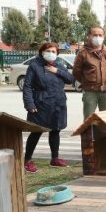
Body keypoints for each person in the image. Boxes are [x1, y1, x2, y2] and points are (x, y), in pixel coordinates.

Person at [22, 42, 75, 173]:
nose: (51, 53)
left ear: (57, 54)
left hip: (58, 102)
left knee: (55, 130)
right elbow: (27, 86)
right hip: (41, 103)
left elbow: (70, 79)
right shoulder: (34, 66)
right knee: (37, 131)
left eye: (54, 51)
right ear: (42, 52)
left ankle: (54, 159)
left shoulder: (59, 65)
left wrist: (57, 71)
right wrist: (29, 104)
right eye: (48, 50)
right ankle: (27, 160)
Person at [73, 26, 106, 120]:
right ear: (89, 36)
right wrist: (87, 80)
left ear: (104, 37)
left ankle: (103, 135)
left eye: (100, 35)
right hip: (90, 92)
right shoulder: (83, 53)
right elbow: (76, 71)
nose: (98, 37)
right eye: (95, 35)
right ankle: (88, 135)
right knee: (88, 119)